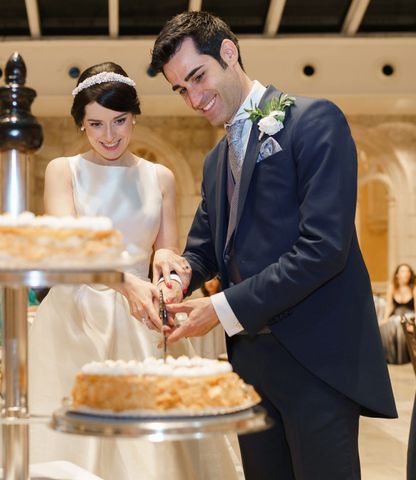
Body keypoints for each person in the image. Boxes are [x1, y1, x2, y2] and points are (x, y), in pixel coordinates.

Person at [149, 11, 396, 480]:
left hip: (317, 360)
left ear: (228, 52)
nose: (194, 98)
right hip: (250, 366)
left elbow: (323, 248)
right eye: (181, 89)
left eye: (198, 78)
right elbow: (205, 250)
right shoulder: (215, 160)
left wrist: (221, 309)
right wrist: (178, 275)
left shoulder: (315, 121)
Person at [24, 63, 238, 479]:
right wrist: (126, 284)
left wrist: (165, 263)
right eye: (96, 123)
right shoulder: (63, 171)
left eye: (119, 121)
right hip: (75, 321)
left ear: (134, 117)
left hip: (143, 319)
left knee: (149, 449)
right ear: (81, 125)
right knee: (72, 440)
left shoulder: (160, 176)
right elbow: (70, 249)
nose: (110, 135)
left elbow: (170, 249)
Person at [379, 263, 415, 364]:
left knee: (400, 324)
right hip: (396, 315)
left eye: (408, 271)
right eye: (403, 271)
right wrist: (385, 319)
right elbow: (389, 306)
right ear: (397, 274)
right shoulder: (392, 287)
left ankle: (403, 358)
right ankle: (391, 357)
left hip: (410, 316)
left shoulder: (414, 287)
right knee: (386, 326)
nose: (406, 274)